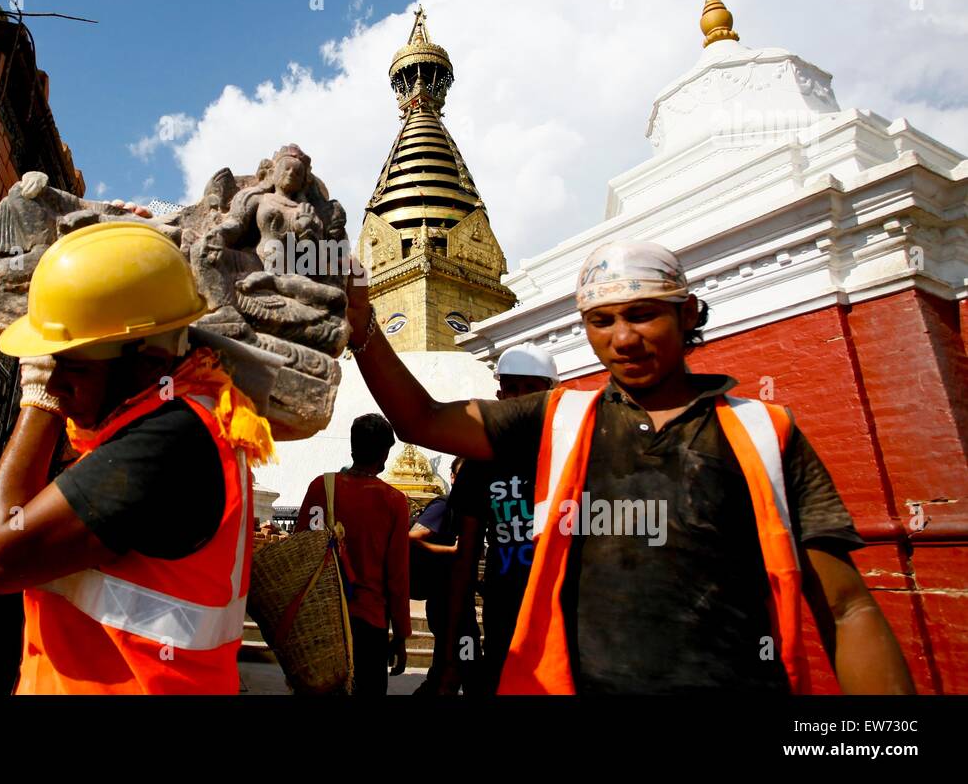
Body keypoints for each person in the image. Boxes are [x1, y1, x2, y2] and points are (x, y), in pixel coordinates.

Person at [344, 240, 914, 694]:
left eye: (642, 315)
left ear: (687, 312)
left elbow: (846, 607)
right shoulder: (558, 420)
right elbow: (421, 419)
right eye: (601, 320)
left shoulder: (766, 434)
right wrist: (360, 320)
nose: (622, 339)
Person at [0, 218, 275, 694]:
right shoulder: (164, 419)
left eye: (72, 366)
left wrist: (37, 404)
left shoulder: (170, 441)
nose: (55, 383)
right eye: (50, 368)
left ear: (150, 362)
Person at [445, 343, 559, 693]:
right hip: (504, 609)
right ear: (499, 394)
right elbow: (467, 553)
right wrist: (455, 644)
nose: (521, 397)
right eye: (512, 388)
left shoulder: (573, 448)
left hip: (562, 608)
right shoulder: (480, 459)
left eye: (531, 388)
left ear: (551, 393)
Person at [297, 413, 410, 695]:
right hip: (369, 622)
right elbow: (397, 576)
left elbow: (300, 548)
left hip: (323, 617)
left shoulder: (320, 487)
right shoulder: (393, 501)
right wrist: (400, 634)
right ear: (384, 453)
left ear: (352, 446)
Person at [409, 456, 479, 694]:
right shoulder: (444, 506)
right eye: (463, 476)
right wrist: (452, 551)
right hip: (445, 600)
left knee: (463, 663)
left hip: (461, 600)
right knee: (455, 665)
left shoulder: (468, 512)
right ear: (452, 477)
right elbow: (412, 537)